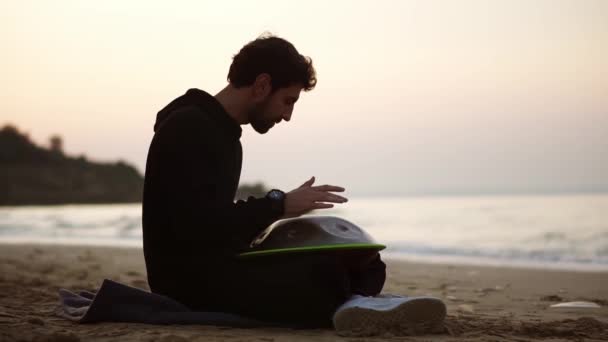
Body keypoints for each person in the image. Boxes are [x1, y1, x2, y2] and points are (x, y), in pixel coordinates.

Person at [142, 34, 445, 332]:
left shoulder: (227, 138)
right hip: (187, 282)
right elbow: (194, 227)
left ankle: (354, 303)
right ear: (262, 85)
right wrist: (279, 204)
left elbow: (219, 225)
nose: (287, 115)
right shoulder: (188, 127)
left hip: (220, 264)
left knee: (367, 262)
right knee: (324, 276)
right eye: (288, 101)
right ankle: (353, 303)